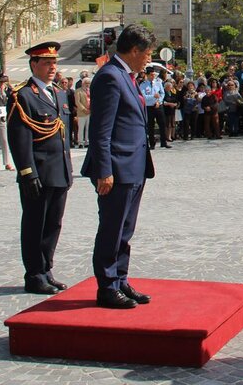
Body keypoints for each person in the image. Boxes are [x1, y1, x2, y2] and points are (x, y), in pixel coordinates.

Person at [81, 25, 157, 309]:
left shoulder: (127, 76)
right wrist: (104, 170)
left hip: (134, 165)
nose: (149, 58)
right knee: (112, 229)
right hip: (116, 168)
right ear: (134, 50)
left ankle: (121, 279)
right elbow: (101, 131)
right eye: (147, 53)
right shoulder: (110, 77)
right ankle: (107, 286)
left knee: (125, 229)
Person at [5, 42, 73, 295]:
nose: (52, 67)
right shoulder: (22, 95)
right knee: (35, 224)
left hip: (59, 172)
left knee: (53, 224)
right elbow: (19, 137)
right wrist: (27, 172)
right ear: (34, 64)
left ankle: (46, 269)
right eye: (46, 63)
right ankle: (33, 274)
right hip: (38, 173)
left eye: (54, 63)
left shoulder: (59, 93)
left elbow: (63, 136)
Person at [140, 68, 170, 149]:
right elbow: (143, 97)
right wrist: (153, 97)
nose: (153, 76)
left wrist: (158, 101)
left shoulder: (158, 83)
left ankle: (164, 142)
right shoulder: (143, 84)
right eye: (151, 75)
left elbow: (162, 93)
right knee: (150, 126)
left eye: (154, 74)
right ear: (147, 75)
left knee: (162, 124)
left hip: (158, 106)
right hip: (149, 107)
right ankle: (152, 143)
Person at [75, 78, 91, 148]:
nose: (87, 84)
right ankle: (80, 142)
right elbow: (77, 102)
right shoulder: (78, 91)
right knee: (81, 128)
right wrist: (84, 109)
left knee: (88, 128)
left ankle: (87, 141)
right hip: (82, 113)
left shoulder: (91, 91)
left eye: (88, 83)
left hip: (90, 112)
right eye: (86, 83)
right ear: (83, 83)